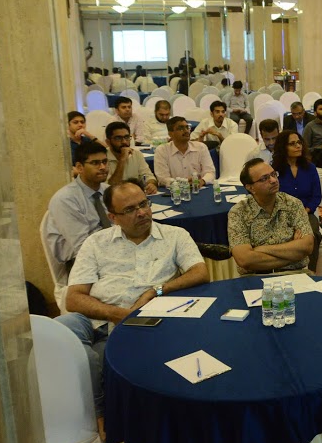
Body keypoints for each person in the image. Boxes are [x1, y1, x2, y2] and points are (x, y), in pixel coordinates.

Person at [58, 179, 208, 417]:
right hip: (97, 315)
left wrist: (155, 290)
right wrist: (117, 314)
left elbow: (200, 272)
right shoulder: (96, 243)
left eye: (144, 204)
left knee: (96, 358)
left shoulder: (175, 236)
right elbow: (74, 299)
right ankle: (89, 412)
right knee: (60, 331)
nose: (141, 213)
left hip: (141, 322)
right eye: (130, 210)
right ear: (113, 217)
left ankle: (100, 415)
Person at [228, 158, 315, 275]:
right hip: (255, 277)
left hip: (295, 273)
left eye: (274, 174)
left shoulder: (293, 204)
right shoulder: (239, 212)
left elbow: (307, 246)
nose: (273, 180)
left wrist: (260, 249)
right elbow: (245, 260)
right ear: (250, 187)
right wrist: (294, 254)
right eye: (264, 178)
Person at [45, 141, 112, 290]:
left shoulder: (108, 191)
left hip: (111, 253)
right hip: (81, 263)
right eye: (95, 163)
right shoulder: (66, 199)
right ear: (79, 167)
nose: (103, 167)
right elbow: (83, 247)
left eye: (104, 161)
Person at [271, 130, 322, 272]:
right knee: (283, 236)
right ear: (283, 147)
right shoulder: (274, 170)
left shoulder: (310, 168)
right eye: (292, 144)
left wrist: (304, 212)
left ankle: (310, 272)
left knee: (313, 235)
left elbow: (316, 196)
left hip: (306, 212)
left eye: (299, 142)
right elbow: (272, 197)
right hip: (282, 214)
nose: (298, 146)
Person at [153, 116, 215, 187]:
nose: (186, 131)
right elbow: (162, 178)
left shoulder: (201, 147)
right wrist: (183, 183)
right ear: (170, 134)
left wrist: (202, 181)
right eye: (181, 128)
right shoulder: (162, 150)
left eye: (187, 127)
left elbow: (210, 172)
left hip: (198, 188)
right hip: (175, 190)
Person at [104, 121, 157, 195]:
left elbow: (148, 176)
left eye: (126, 137)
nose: (124, 142)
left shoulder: (136, 154)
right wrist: (122, 160)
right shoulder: (103, 159)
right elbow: (110, 188)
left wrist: (151, 184)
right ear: (108, 142)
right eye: (118, 138)